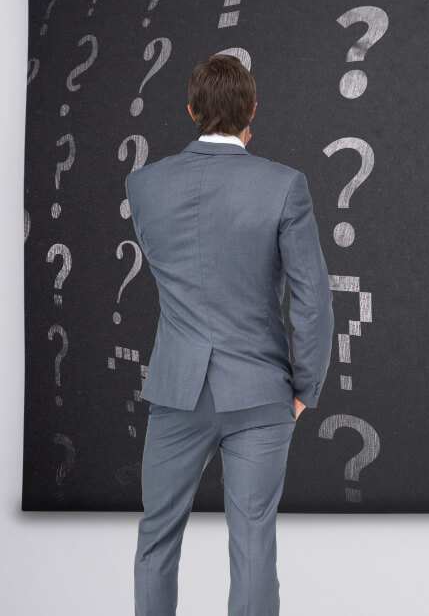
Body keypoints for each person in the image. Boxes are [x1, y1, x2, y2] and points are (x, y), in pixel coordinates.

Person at [128, 54, 335, 615]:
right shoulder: (284, 186)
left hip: (176, 390)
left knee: (157, 539)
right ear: (253, 111)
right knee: (253, 542)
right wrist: (304, 390)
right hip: (261, 391)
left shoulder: (144, 186)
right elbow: (313, 299)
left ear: (192, 111)